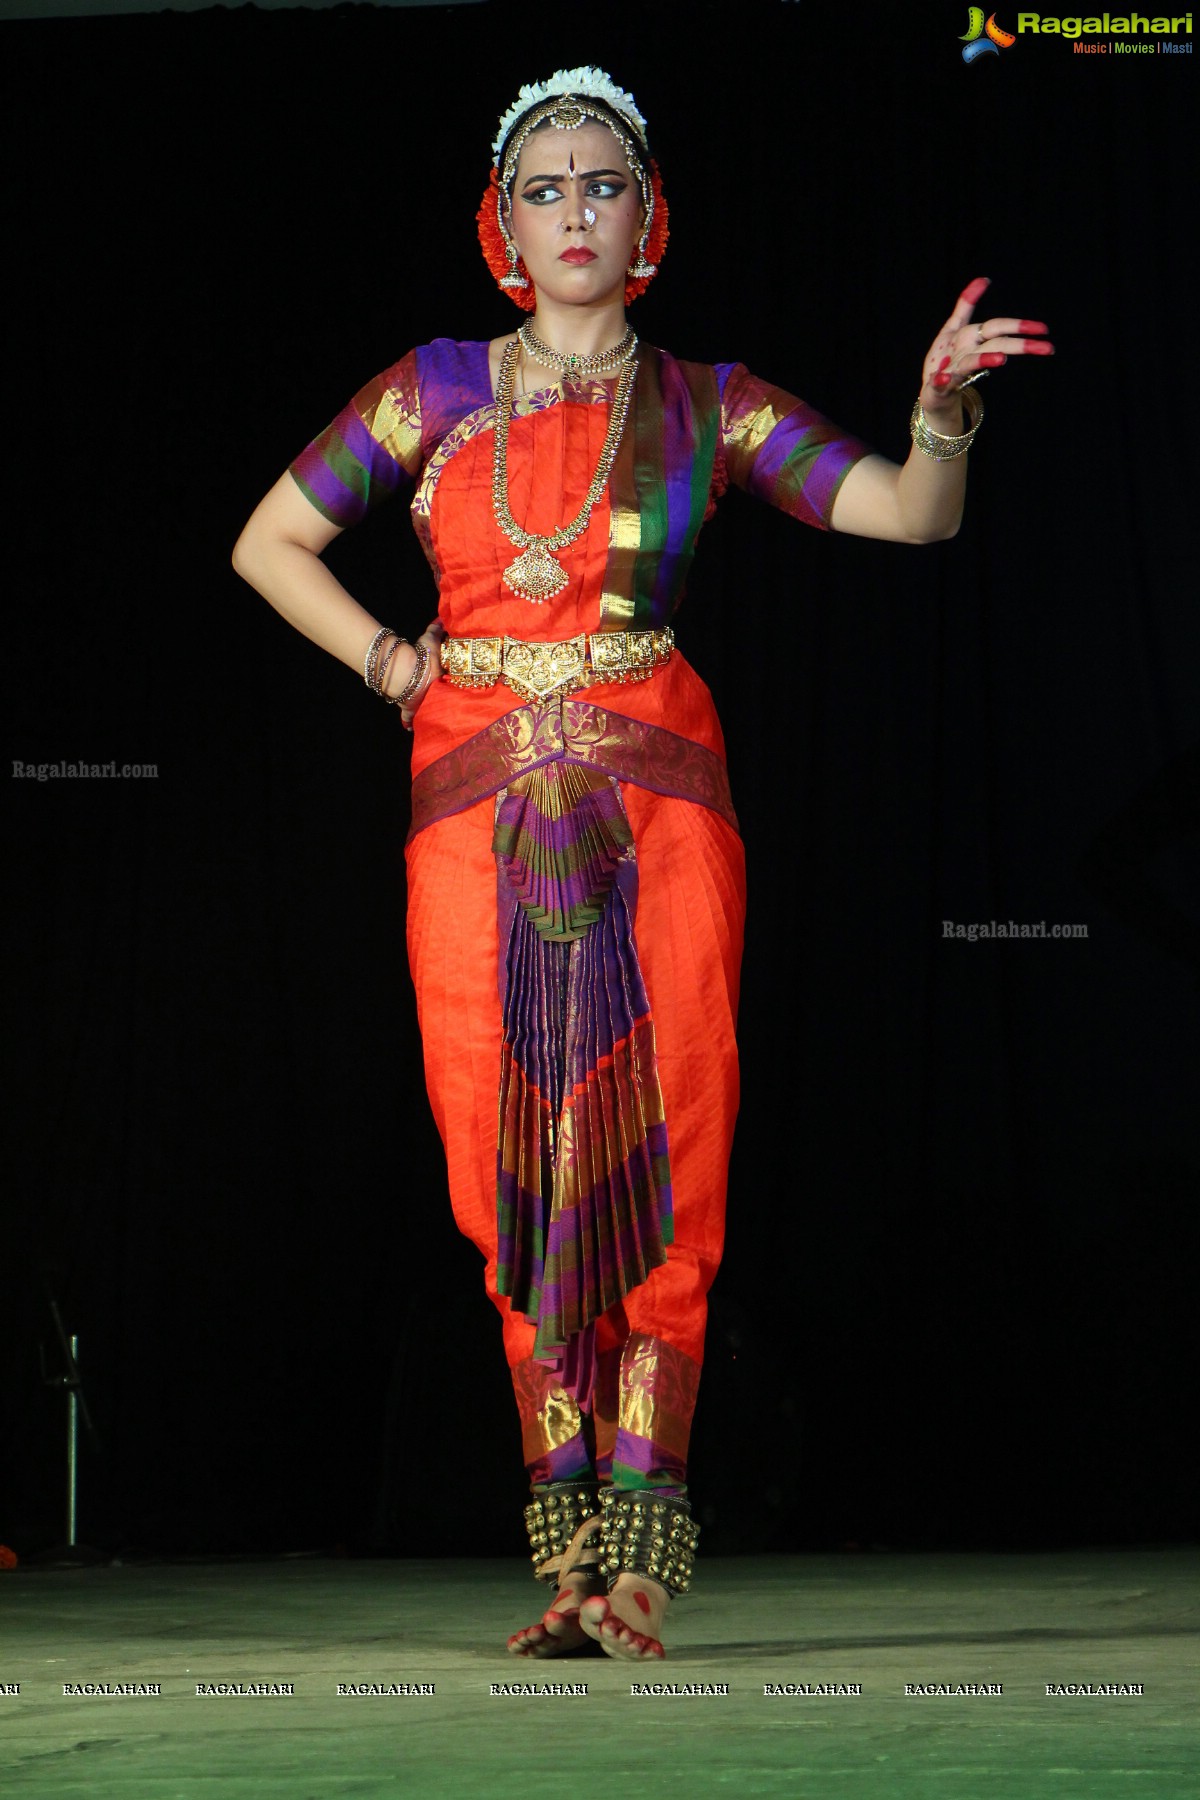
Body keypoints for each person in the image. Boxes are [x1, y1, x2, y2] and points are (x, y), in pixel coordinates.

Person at [232, 67, 1052, 1663]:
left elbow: (907, 516)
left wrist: (939, 413)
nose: (573, 212)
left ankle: (649, 1549)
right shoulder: (427, 391)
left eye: (601, 182)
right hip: (469, 811)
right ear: (502, 229)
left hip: (663, 809)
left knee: (672, 1153)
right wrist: (401, 668)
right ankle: (566, 1534)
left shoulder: (708, 404)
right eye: (542, 188)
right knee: (504, 1173)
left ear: (648, 217)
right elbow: (268, 543)